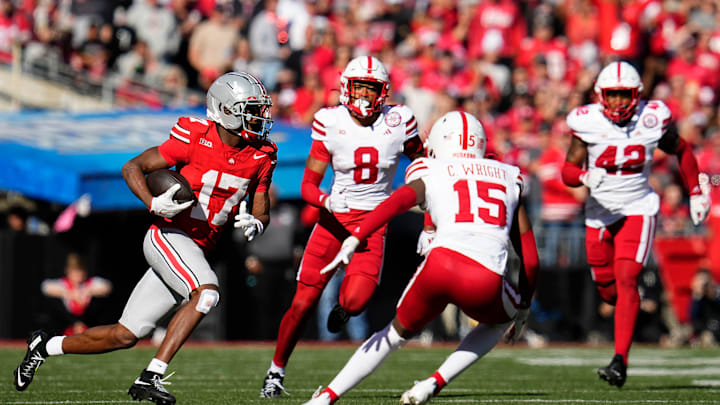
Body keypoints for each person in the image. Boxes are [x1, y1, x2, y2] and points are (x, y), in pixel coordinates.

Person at [13, 72, 277, 405]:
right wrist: (152, 203)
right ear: (225, 109)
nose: (259, 117)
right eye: (250, 109)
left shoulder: (263, 154)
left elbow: (261, 206)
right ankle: (151, 376)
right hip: (167, 236)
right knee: (207, 294)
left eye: (259, 110)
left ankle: (45, 346)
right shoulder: (196, 137)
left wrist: (258, 222)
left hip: (196, 250)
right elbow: (133, 167)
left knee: (125, 334)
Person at [301, 111, 539, 405]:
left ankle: (325, 397)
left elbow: (394, 203)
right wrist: (525, 307)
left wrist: (355, 236)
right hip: (485, 277)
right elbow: (530, 261)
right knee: (503, 320)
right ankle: (434, 382)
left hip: (440, 265)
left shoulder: (431, 169)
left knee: (390, 336)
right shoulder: (508, 175)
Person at [260, 55, 424, 398]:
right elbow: (308, 185)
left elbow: (423, 162)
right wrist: (325, 201)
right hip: (333, 222)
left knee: (355, 301)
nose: (364, 96)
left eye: (371, 88)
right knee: (303, 303)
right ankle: (276, 370)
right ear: (346, 88)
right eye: (359, 87)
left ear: (384, 92)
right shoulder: (330, 122)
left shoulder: (400, 120)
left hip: (374, 223)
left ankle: (343, 311)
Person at [561, 60, 710, 388]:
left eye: (622, 95)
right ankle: (628, 307)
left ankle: (620, 360)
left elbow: (682, 150)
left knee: (627, 278)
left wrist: (696, 190)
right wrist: (586, 175)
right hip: (599, 212)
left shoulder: (651, 119)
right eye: (611, 96)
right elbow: (567, 172)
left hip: (638, 208)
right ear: (601, 96)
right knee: (607, 286)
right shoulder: (586, 123)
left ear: (637, 95)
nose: (616, 103)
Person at [41, 252, 112, 336]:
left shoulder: (89, 283)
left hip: (89, 323)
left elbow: (107, 287)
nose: (78, 275)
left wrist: (86, 291)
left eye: (81, 271)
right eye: (75, 271)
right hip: (66, 325)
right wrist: (70, 293)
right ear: (68, 271)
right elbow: (46, 287)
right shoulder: (63, 284)